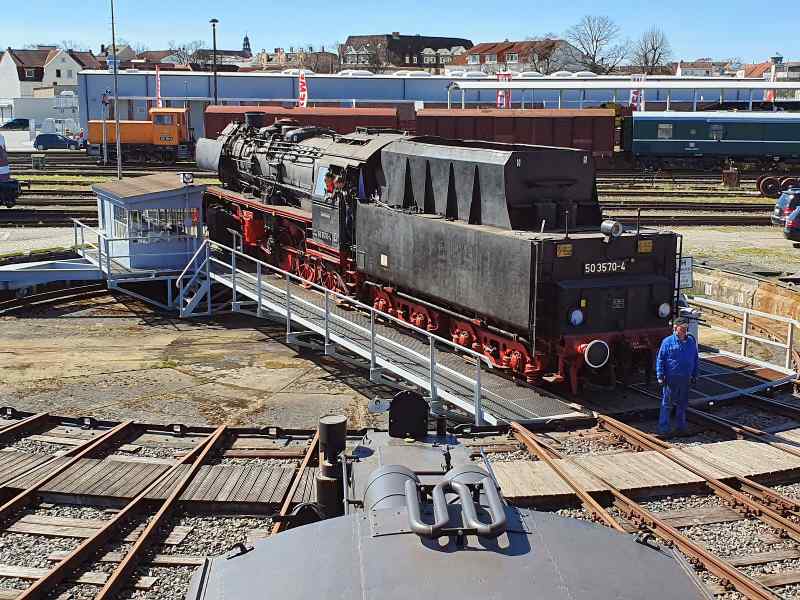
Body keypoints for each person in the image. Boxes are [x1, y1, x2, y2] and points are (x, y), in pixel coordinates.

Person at [655, 317, 699, 437]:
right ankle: (664, 429)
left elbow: (695, 358)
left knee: (682, 404)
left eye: (686, 328)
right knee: (667, 404)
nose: (685, 330)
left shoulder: (691, 341)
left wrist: (695, 374)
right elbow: (660, 359)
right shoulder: (667, 342)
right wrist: (660, 375)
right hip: (671, 379)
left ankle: (681, 427)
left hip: (685, 378)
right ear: (675, 328)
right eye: (682, 328)